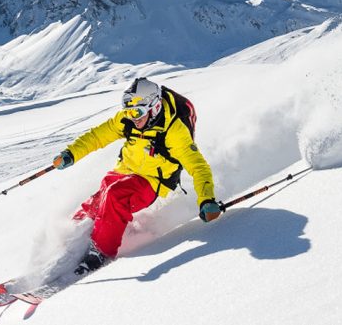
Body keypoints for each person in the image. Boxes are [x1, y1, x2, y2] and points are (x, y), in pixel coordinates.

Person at [51, 77, 221, 276]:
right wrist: (71, 153)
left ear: (155, 107)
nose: (133, 117)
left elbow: (198, 167)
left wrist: (206, 199)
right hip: (125, 170)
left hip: (153, 181)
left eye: (137, 112)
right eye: (128, 112)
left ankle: (100, 252)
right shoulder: (128, 120)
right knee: (101, 196)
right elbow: (98, 136)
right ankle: (72, 238)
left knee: (116, 195)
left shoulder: (173, 130)